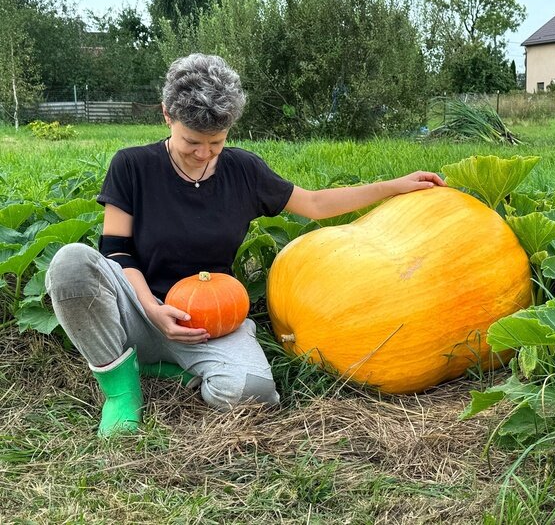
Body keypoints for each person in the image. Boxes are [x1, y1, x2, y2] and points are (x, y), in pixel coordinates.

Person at [46, 53, 445, 437]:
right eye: (191, 142)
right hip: (137, 304)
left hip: (209, 319)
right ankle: (120, 390)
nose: (203, 153)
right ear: (167, 116)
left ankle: (163, 366)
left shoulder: (244, 170)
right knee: (70, 265)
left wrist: (395, 186)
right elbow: (117, 249)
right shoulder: (132, 165)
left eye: (216, 142)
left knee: (251, 391)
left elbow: (315, 203)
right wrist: (151, 307)